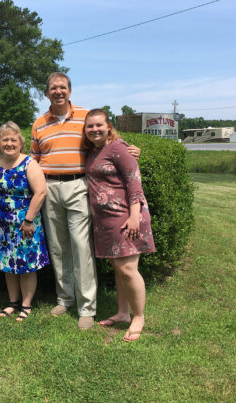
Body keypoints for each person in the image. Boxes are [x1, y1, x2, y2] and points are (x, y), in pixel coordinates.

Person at [31, 72, 140, 330]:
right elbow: (34, 160)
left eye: (63, 87)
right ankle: (65, 298)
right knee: (58, 247)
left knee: (81, 247)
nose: (58, 92)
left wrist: (132, 149)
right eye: (53, 88)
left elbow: (107, 140)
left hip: (79, 186)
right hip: (49, 188)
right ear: (47, 93)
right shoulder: (39, 124)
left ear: (70, 91)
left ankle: (87, 307)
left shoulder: (84, 117)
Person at [83, 108, 155, 342]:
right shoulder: (94, 151)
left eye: (98, 125)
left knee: (128, 269)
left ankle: (138, 316)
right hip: (105, 220)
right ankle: (123, 313)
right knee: (118, 268)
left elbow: (134, 183)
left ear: (109, 127)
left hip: (126, 216)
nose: (94, 129)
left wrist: (134, 216)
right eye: (90, 126)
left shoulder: (118, 148)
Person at [0, 122, 49, 321]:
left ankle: (26, 305)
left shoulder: (29, 163)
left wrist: (29, 220)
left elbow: (41, 192)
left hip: (25, 225)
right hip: (2, 225)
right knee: (7, 263)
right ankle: (13, 302)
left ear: (20, 143)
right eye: (5, 139)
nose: (9, 143)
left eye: (13, 139)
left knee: (26, 265)